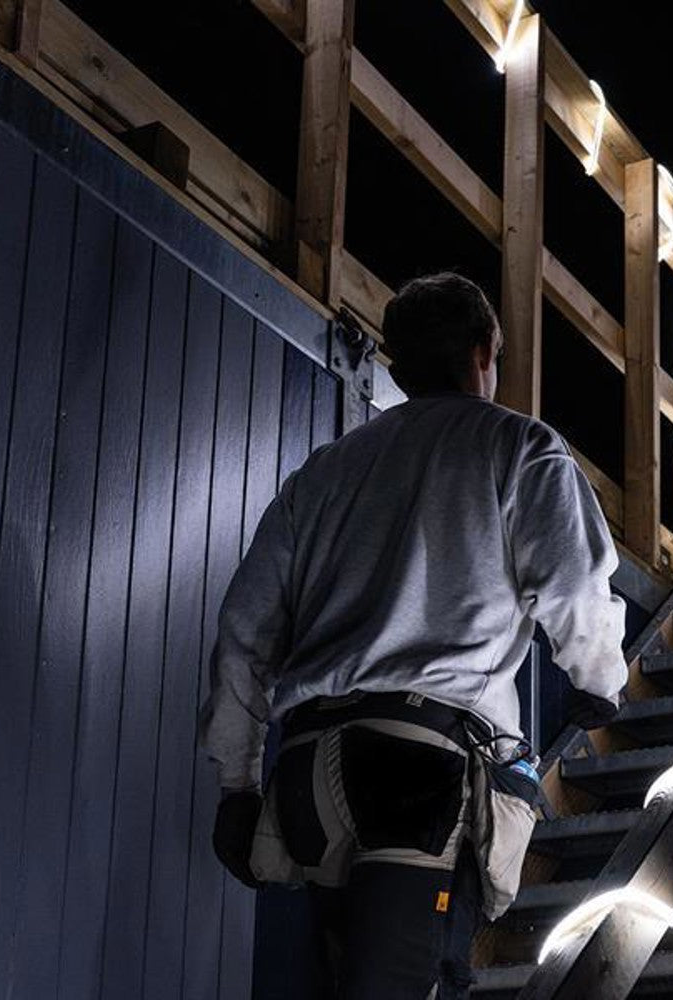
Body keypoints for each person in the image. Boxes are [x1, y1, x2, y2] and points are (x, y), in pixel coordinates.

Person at [198, 271, 628, 999]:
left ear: (398, 370)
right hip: (421, 769)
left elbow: (245, 634)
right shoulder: (520, 446)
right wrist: (601, 684)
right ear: (485, 351)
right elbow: (573, 585)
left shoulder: (324, 473)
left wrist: (236, 784)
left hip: (310, 770)